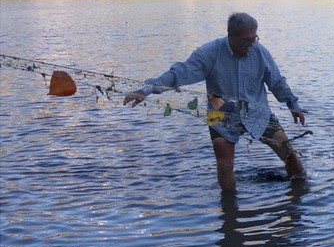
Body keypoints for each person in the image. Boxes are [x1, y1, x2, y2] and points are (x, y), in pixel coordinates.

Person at [124, 12, 307, 193]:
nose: (252, 43)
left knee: (290, 155)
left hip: (258, 112)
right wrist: (145, 91)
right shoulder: (209, 53)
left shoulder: (259, 51)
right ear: (231, 36)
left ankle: (301, 195)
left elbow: (276, 82)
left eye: (254, 38)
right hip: (220, 116)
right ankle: (229, 207)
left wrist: (293, 105)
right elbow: (178, 73)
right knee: (225, 164)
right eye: (246, 40)